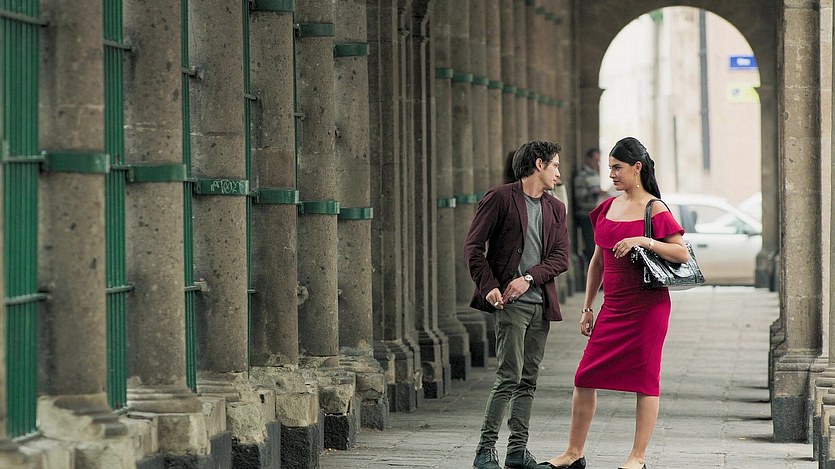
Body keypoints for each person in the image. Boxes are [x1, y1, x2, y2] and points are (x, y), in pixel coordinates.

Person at [538, 137, 689, 469]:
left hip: (648, 308)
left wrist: (644, 240)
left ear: (637, 168)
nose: (611, 175)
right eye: (609, 168)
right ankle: (573, 453)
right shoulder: (607, 208)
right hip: (613, 307)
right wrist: (587, 307)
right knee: (585, 376)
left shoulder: (655, 208)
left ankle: (637, 458)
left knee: (646, 380)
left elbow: (681, 252)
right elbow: (598, 261)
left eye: (617, 168)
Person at [464, 140, 571, 469]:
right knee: (509, 376)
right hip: (510, 306)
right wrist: (489, 287)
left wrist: (529, 278)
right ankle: (485, 449)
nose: (558, 172)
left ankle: (516, 450)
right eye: (555, 165)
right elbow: (473, 247)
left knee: (528, 379)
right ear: (539, 164)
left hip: (540, 305)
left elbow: (561, 258)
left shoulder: (556, 208)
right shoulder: (500, 198)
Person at [572, 147, 608, 269]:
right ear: (588, 159)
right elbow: (579, 196)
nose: (597, 164)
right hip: (586, 215)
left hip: (596, 214)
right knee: (591, 246)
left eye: (598, 161)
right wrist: (594, 194)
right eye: (595, 160)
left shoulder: (596, 174)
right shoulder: (581, 176)